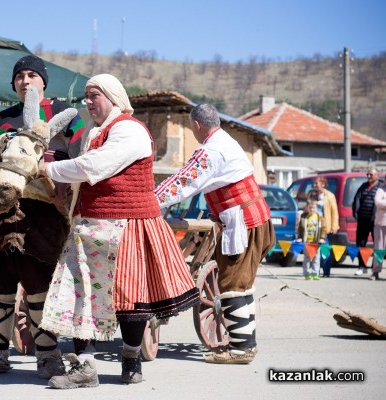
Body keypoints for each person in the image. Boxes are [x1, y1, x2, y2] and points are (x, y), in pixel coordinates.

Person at [39, 74, 200, 388]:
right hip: (92, 223)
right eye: (86, 96)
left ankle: (131, 358)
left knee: (130, 299)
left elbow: (92, 167)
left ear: (113, 96)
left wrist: (45, 169)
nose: (88, 102)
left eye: (94, 95)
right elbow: (83, 167)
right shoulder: (93, 131)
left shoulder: (129, 129)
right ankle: (86, 368)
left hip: (128, 223)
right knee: (78, 294)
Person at [0, 55, 86, 379]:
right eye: (20, 76)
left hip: (43, 214)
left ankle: (48, 357)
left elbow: (83, 156)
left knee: (38, 282)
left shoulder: (64, 115)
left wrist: (61, 180)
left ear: (44, 82)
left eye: (32, 75)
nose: (26, 81)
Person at [155, 103, 275, 365]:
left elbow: (183, 182)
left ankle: (242, 350)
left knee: (232, 284)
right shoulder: (228, 141)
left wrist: (150, 200)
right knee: (242, 285)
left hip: (243, 224)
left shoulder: (211, 150)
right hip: (256, 219)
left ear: (197, 126)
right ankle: (245, 344)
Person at [308, 176, 339, 277]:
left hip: (324, 228)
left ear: (323, 184)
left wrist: (334, 226)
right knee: (313, 250)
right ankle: (315, 271)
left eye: (316, 183)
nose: (314, 185)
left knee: (324, 250)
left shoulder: (329, 196)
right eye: (314, 183)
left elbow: (334, 212)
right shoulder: (312, 195)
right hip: (312, 227)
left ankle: (326, 271)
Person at [352, 168, 381, 276]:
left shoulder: (381, 187)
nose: (368, 176)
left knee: (377, 244)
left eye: (371, 174)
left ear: (377, 176)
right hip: (362, 220)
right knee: (361, 243)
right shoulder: (363, 186)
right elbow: (356, 199)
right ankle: (362, 266)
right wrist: (355, 213)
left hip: (376, 221)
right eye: (367, 174)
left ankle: (375, 268)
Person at [296, 199, 327, 280]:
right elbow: (300, 229)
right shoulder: (303, 217)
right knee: (307, 258)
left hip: (316, 242)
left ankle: (315, 273)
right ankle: (307, 273)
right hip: (307, 242)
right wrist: (299, 237)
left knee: (316, 258)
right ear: (307, 208)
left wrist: (322, 238)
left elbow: (324, 228)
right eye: (310, 207)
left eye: (313, 208)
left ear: (316, 208)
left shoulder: (319, 217)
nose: (312, 209)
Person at [371, 185, 386, 280]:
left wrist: (383, 205)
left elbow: (382, 203)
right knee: (379, 248)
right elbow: (377, 202)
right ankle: (375, 271)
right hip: (381, 222)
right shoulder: (380, 190)